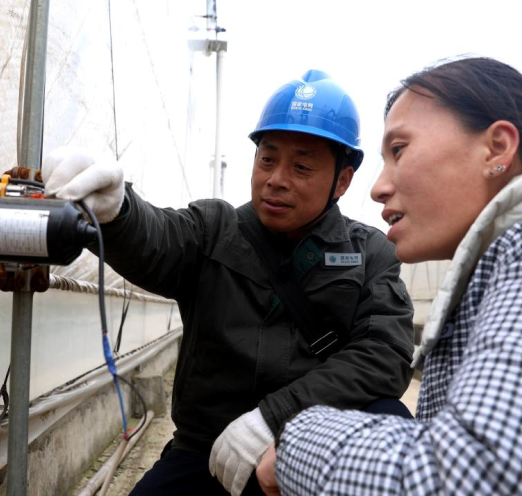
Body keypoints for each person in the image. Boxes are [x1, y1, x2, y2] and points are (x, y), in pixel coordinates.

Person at [258, 57, 522, 495]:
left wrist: (295, 444)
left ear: (497, 148)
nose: (378, 187)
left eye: (399, 150)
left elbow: (473, 479)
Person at [42, 70, 416, 495]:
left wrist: (275, 418)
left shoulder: (369, 252)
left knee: (390, 419)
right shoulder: (214, 230)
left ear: (342, 181)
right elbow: (159, 238)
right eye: (267, 159)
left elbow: (384, 354)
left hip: (310, 451)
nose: (276, 178)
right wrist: (119, 210)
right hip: (207, 453)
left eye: (302, 165)